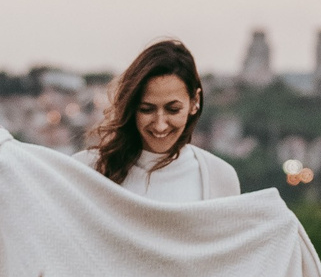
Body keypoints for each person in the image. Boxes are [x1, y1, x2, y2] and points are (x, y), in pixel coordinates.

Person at [89, 39, 241, 202]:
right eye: (146, 109)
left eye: (173, 110)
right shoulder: (86, 168)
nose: (160, 125)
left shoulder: (220, 177)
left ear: (194, 101)